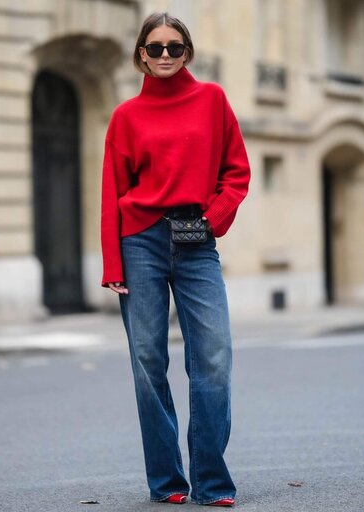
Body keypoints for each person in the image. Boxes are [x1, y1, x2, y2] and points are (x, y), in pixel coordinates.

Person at [100, 12, 250, 507]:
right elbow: (112, 193)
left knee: (214, 358)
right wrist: (113, 265)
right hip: (138, 240)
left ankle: (211, 480)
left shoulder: (212, 100)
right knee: (148, 362)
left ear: (187, 51)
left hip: (196, 239)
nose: (166, 55)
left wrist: (214, 217)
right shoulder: (125, 117)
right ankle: (167, 482)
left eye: (175, 47)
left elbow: (237, 172)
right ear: (141, 53)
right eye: (156, 47)